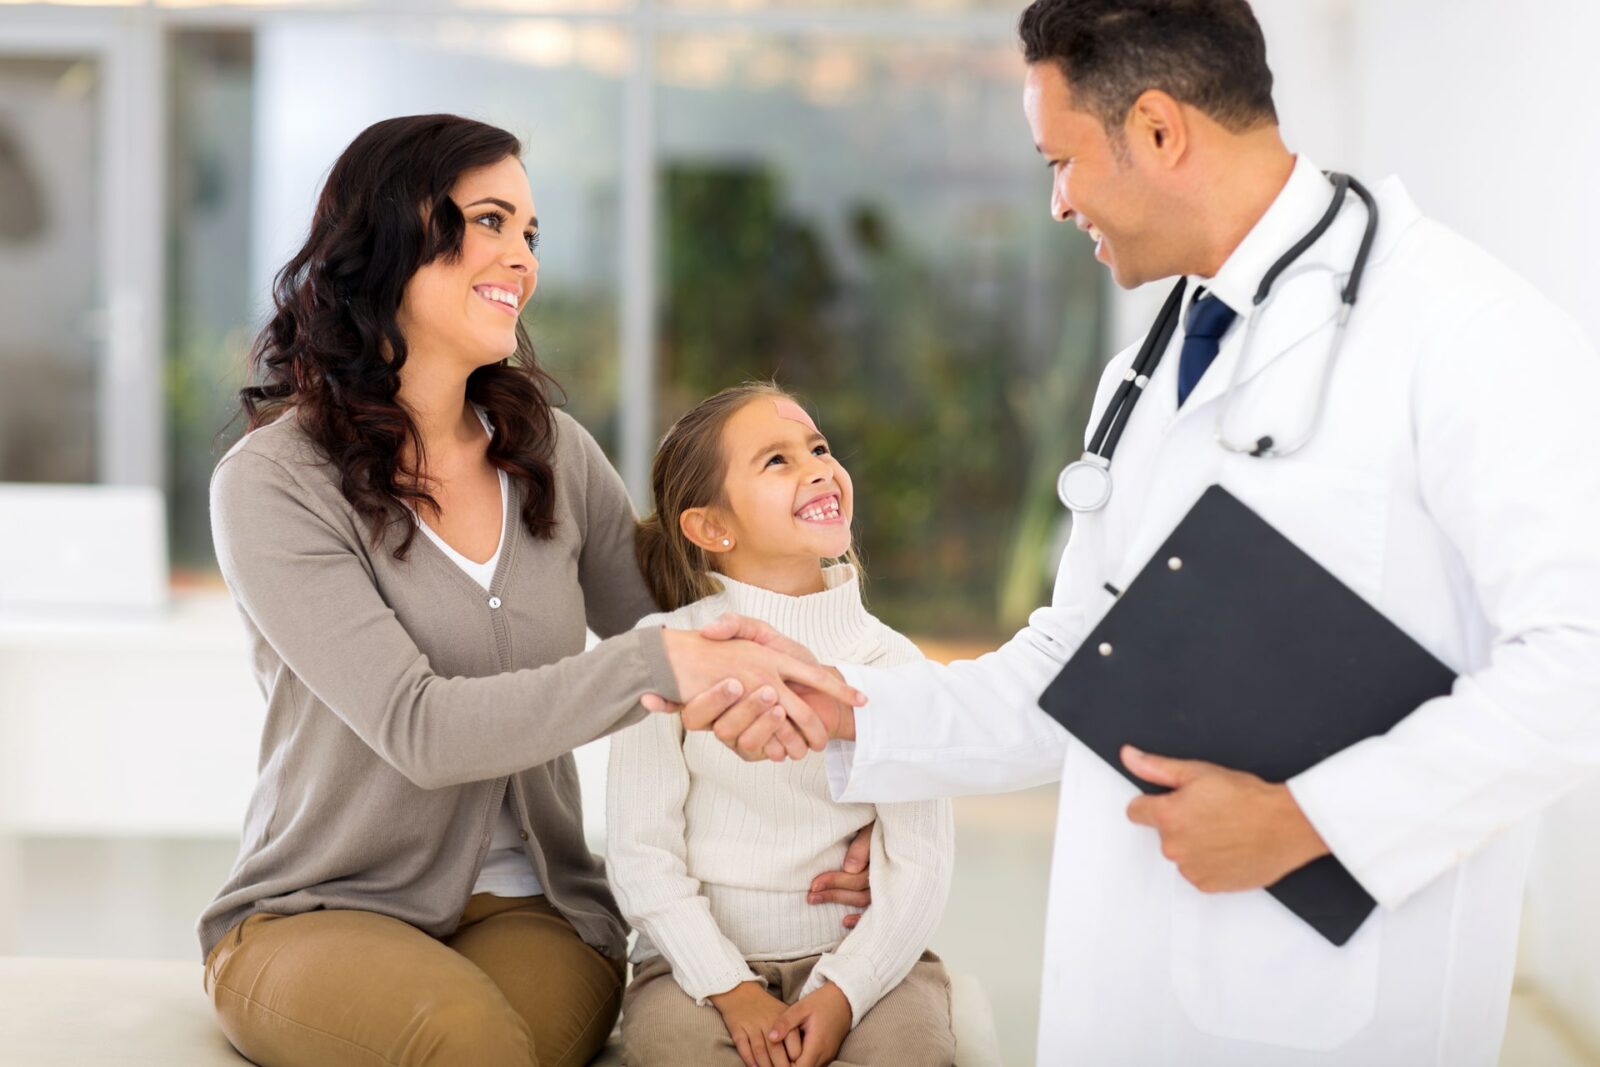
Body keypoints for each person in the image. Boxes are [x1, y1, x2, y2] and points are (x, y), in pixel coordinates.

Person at [649, 2, 1600, 1063]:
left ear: (1156, 129)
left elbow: (1576, 661)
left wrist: (1315, 818)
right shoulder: (1145, 373)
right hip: (1133, 974)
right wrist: (857, 713)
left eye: (1060, 160)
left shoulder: (1465, 332)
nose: (1055, 202)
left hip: (1333, 998)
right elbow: (1076, 663)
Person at [198, 113, 865, 1067]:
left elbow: (704, 634)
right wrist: (660, 661)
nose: (523, 257)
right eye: (492, 221)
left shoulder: (548, 450)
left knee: (497, 1045)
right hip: (320, 904)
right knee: (469, 1042)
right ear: (389, 237)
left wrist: (852, 804)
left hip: (540, 908)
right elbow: (423, 727)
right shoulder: (274, 484)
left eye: (532, 234)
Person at [609, 383, 956, 1067]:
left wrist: (843, 992)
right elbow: (639, 852)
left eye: (819, 448)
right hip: (697, 967)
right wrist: (729, 986)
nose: (819, 466)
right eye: (777, 460)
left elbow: (923, 863)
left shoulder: (894, 662)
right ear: (711, 527)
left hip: (863, 963)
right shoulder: (667, 651)